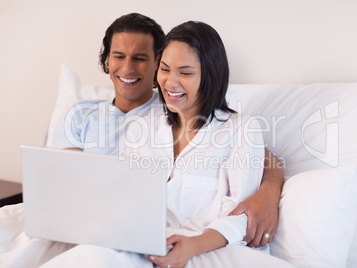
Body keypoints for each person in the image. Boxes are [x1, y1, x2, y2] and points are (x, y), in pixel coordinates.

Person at [41, 20, 270, 268]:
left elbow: (244, 216)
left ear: (210, 76)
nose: (171, 82)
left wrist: (192, 245)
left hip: (211, 250)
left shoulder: (241, 130)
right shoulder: (143, 129)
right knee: (88, 256)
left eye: (185, 72)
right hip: (146, 247)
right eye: (165, 69)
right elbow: (129, 202)